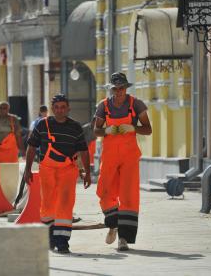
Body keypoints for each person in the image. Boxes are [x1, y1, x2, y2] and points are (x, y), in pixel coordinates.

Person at [23, 94, 91, 254]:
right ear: (52, 109)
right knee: (48, 205)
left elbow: (83, 150)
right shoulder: (42, 125)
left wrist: (87, 172)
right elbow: (31, 147)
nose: (60, 110)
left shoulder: (75, 127)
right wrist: (27, 170)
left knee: (65, 205)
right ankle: (50, 237)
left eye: (63, 107)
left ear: (68, 108)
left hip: (68, 170)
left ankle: (62, 242)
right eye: (57, 107)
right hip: (47, 170)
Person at [94, 72, 152, 251]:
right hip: (110, 156)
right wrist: (107, 131)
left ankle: (124, 239)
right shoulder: (103, 106)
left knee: (129, 196)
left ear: (126, 88)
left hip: (129, 157)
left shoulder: (136, 105)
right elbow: (96, 130)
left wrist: (132, 127)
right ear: (111, 89)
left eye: (122, 88)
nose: (119, 92)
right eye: (115, 89)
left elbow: (148, 129)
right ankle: (113, 225)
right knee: (104, 191)